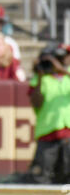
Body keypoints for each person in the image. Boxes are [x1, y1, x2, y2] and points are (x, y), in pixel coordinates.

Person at [25, 44, 70, 183]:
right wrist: (39, 76)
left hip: (68, 133)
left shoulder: (67, 75)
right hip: (47, 133)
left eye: (61, 57)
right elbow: (36, 102)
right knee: (41, 177)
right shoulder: (41, 78)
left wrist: (62, 70)